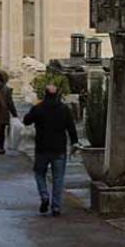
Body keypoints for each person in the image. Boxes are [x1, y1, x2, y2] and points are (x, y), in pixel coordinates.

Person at [23, 83, 80, 216]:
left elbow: (26, 121)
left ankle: (44, 195)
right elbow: (71, 128)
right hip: (59, 148)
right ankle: (56, 206)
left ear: (45, 94)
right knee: (58, 178)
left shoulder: (38, 108)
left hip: (42, 147)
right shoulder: (64, 109)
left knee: (39, 173)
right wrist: (74, 142)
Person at [0, 70, 19, 155]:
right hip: (3, 112)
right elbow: (10, 102)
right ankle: (1, 147)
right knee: (2, 132)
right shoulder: (6, 89)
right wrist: (14, 114)